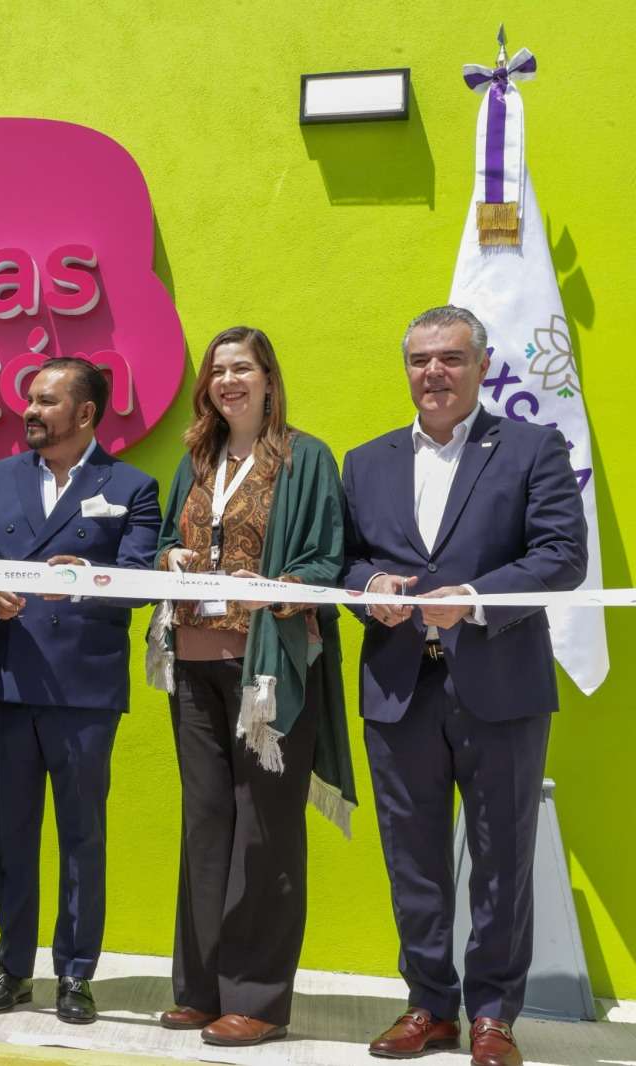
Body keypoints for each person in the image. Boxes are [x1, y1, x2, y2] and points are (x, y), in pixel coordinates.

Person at [342, 306, 587, 1066]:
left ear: (482, 367)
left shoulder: (532, 447)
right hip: (399, 686)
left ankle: (492, 1017)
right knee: (411, 859)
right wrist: (371, 585)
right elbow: (343, 560)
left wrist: (476, 600)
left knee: (502, 858)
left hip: (501, 684)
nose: (434, 373)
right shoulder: (366, 461)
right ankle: (428, 1006)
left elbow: (562, 554)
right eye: (420, 360)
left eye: (450, 358)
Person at [147, 326, 355, 1047]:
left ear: (269, 379)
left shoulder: (306, 457)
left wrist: (278, 585)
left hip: (267, 670)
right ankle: (201, 989)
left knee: (265, 828)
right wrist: (170, 556)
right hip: (193, 663)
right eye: (218, 370)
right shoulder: (197, 458)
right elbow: (165, 543)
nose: (229, 380)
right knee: (205, 825)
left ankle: (257, 998)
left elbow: (329, 559)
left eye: (243, 368)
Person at [0, 357, 161, 1025]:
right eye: (30, 398)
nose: (30, 410)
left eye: (46, 400)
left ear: (84, 413)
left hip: (84, 689)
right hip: (7, 678)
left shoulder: (131, 486)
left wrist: (90, 577)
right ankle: (13, 967)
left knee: (82, 836)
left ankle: (76, 972)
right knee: (8, 835)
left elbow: (138, 582)